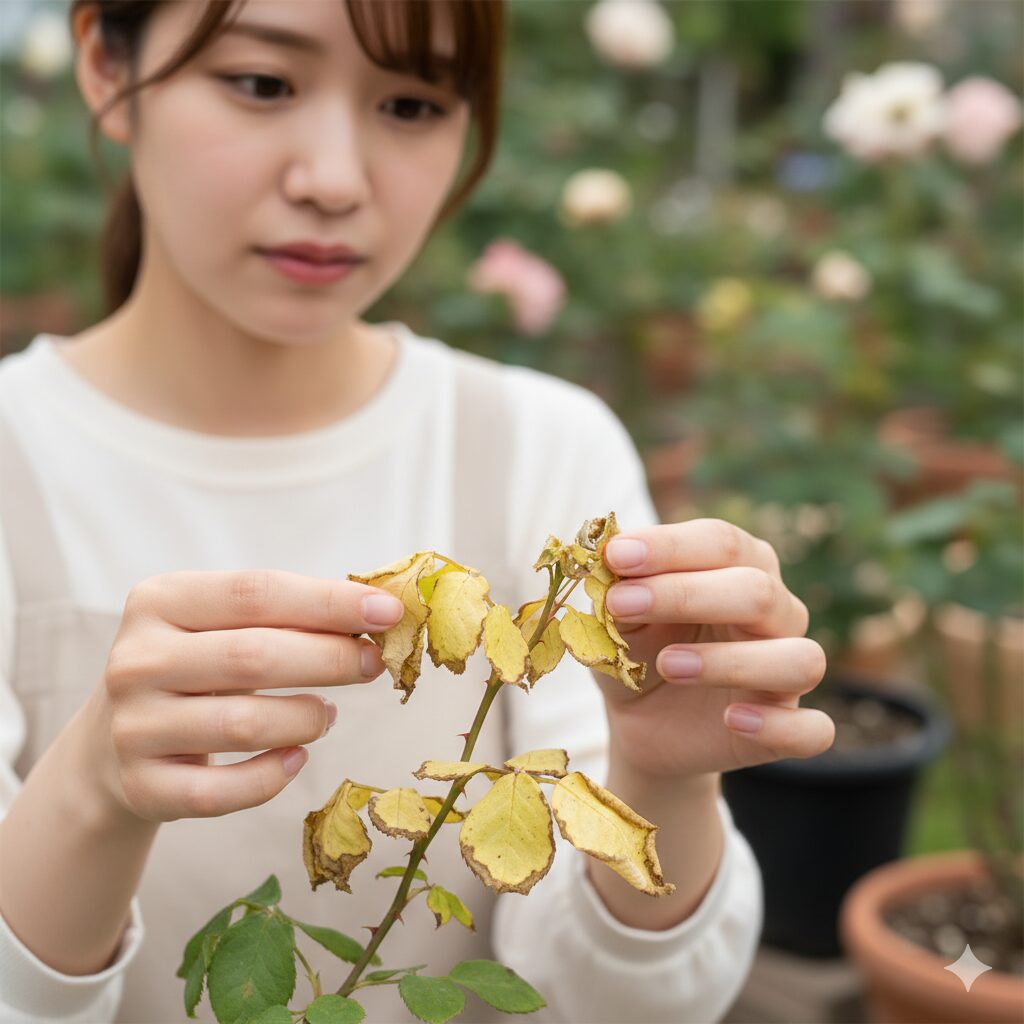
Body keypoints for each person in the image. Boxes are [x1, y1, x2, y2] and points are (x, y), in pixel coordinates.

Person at [0, 1, 835, 1022]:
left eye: (410, 102)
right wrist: (90, 790)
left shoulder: (542, 449)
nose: (335, 180)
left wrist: (661, 782)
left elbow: (614, 1005)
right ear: (105, 62)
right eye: (262, 83)